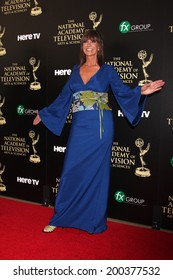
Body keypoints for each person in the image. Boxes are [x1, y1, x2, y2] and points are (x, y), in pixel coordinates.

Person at [33, 29, 165, 234]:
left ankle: (93, 221)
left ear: (99, 46)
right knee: (70, 171)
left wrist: (141, 90)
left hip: (101, 128)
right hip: (79, 126)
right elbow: (63, 97)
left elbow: (122, 92)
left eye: (93, 42)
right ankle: (60, 216)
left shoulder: (108, 71)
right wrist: (44, 113)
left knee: (97, 175)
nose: (89, 45)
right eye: (85, 41)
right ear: (82, 46)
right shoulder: (75, 70)